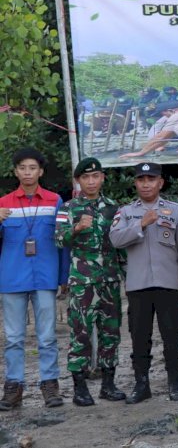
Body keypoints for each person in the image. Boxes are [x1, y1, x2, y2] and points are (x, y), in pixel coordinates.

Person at [109, 162, 178, 403]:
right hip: (138, 286)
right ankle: (141, 384)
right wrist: (141, 224)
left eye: (151, 179)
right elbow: (115, 238)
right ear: (135, 183)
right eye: (141, 179)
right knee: (139, 337)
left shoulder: (175, 210)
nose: (146, 184)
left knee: (171, 336)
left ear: (161, 183)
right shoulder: (126, 212)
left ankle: (175, 383)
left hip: (168, 284)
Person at [54, 158, 127, 406]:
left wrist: (127, 276)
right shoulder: (68, 208)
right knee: (81, 333)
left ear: (103, 178)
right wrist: (75, 228)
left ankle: (108, 384)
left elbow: (122, 247)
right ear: (79, 180)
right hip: (83, 281)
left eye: (95, 176)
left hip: (109, 280)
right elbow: (58, 240)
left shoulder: (114, 208)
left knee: (111, 333)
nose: (91, 181)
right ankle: (80, 388)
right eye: (86, 177)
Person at [0, 148, 68, 410]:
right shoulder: (3, 203)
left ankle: (50, 385)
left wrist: (63, 276)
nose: (27, 173)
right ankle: (13, 387)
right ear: (15, 171)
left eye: (32, 168)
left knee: (47, 336)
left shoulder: (55, 201)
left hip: (45, 277)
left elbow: (62, 242)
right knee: (14, 337)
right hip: (11, 278)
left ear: (40, 171)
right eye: (22, 168)